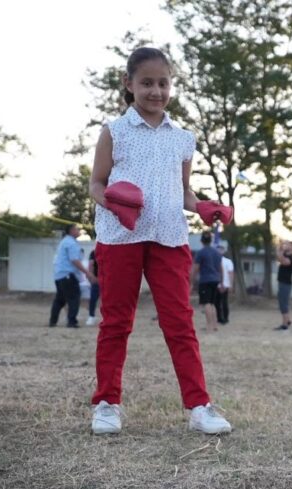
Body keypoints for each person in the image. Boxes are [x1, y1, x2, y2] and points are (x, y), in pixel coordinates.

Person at [87, 46, 231, 436]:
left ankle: (199, 406)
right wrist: (114, 204)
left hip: (169, 236)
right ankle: (107, 404)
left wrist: (202, 205)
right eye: (147, 82)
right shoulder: (113, 132)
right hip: (120, 237)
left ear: (172, 86)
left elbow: (182, 191)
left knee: (180, 323)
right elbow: (96, 183)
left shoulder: (183, 138)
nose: (156, 91)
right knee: (116, 322)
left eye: (163, 83)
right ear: (128, 84)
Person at [50, 223, 95, 328]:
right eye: (76, 229)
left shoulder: (64, 242)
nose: (79, 231)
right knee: (74, 297)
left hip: (59, 275)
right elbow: (74, 260)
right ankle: (72, 321)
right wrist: (87, 272)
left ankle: (53, 321)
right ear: (71, 231)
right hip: (68, 274)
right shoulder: (71, 243)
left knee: (60, 299)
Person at [192, 231, 222, 333]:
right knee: (213, 303)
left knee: (207, 303)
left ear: (201, 241)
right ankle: (215, 325)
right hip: (216, 279)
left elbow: (196, 268)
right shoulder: (217, 253)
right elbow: (221, 267)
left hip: (205, 280)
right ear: (211, 240)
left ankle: (209, 326)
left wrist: (191, 280)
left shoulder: (201, 253)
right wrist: (221, 280)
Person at [274, 240, 292, 331]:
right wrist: (280, 249)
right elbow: (279, 258)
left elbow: (284, 261)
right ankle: (288, 320)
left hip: (286, 283)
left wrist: (279, 250)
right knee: (283, 302)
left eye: (289, 245)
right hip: (282, 282)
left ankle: (285, 325)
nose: (286, 245)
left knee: (283, 303)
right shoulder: (286, 254)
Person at [216, 244, 233, 325]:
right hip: (216, 284)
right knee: (217, 302)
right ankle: (219, 318)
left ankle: (225, 318)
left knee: (224, 302)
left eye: (221, 249)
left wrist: (230, 284)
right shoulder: (215, 261)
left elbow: (231, 273)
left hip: (225, 284)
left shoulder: (228, 261)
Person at [86, 250, 101, 326]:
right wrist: (92, 276)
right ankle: (91, 316)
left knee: (93, 298)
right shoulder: (94, 252)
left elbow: (90, 265)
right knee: (93, 298)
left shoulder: (94, 252)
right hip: (98, 279)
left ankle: (91, 316)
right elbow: (91, 265)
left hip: (106, 278)